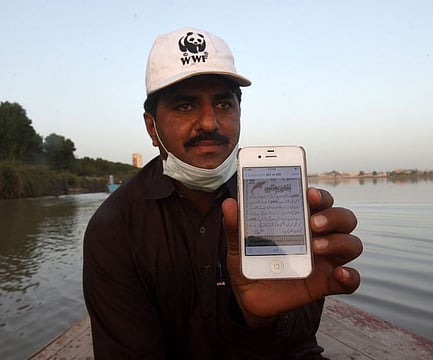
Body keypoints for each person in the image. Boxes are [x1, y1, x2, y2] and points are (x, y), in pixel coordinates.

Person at [83, 27, 362, 359]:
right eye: (185, 106)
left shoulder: (276, 204)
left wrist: (260, 318)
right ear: (151, 127)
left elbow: (299, 344)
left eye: (223, 103)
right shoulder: (115, 228)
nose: (209, 122)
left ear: (239, 113)